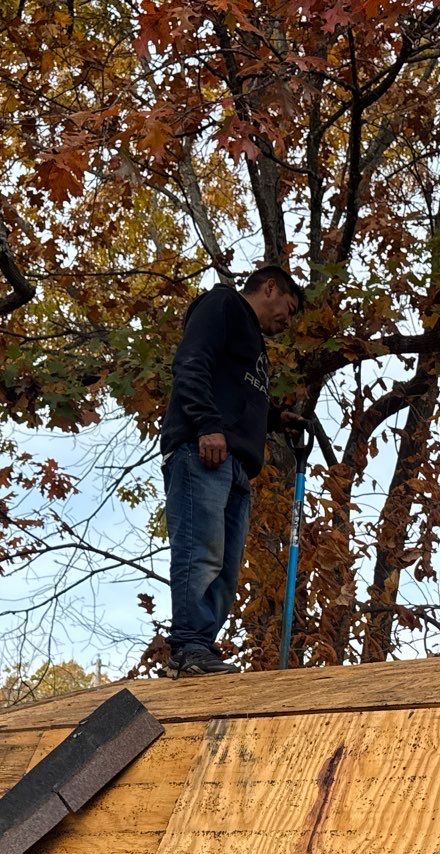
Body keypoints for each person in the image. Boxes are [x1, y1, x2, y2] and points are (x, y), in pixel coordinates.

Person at [159, 263, 306, 676]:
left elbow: (236, 393)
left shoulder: (253, 341)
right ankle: (188, 647)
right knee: (200, 549)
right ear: (271, 287)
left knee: (225, 568)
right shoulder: (221, 304)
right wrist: (206, 424)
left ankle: (200, 648)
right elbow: (191, 363)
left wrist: (274, 419)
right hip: (204, 452)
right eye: (289, 309)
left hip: (237, 464)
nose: (287, 320)